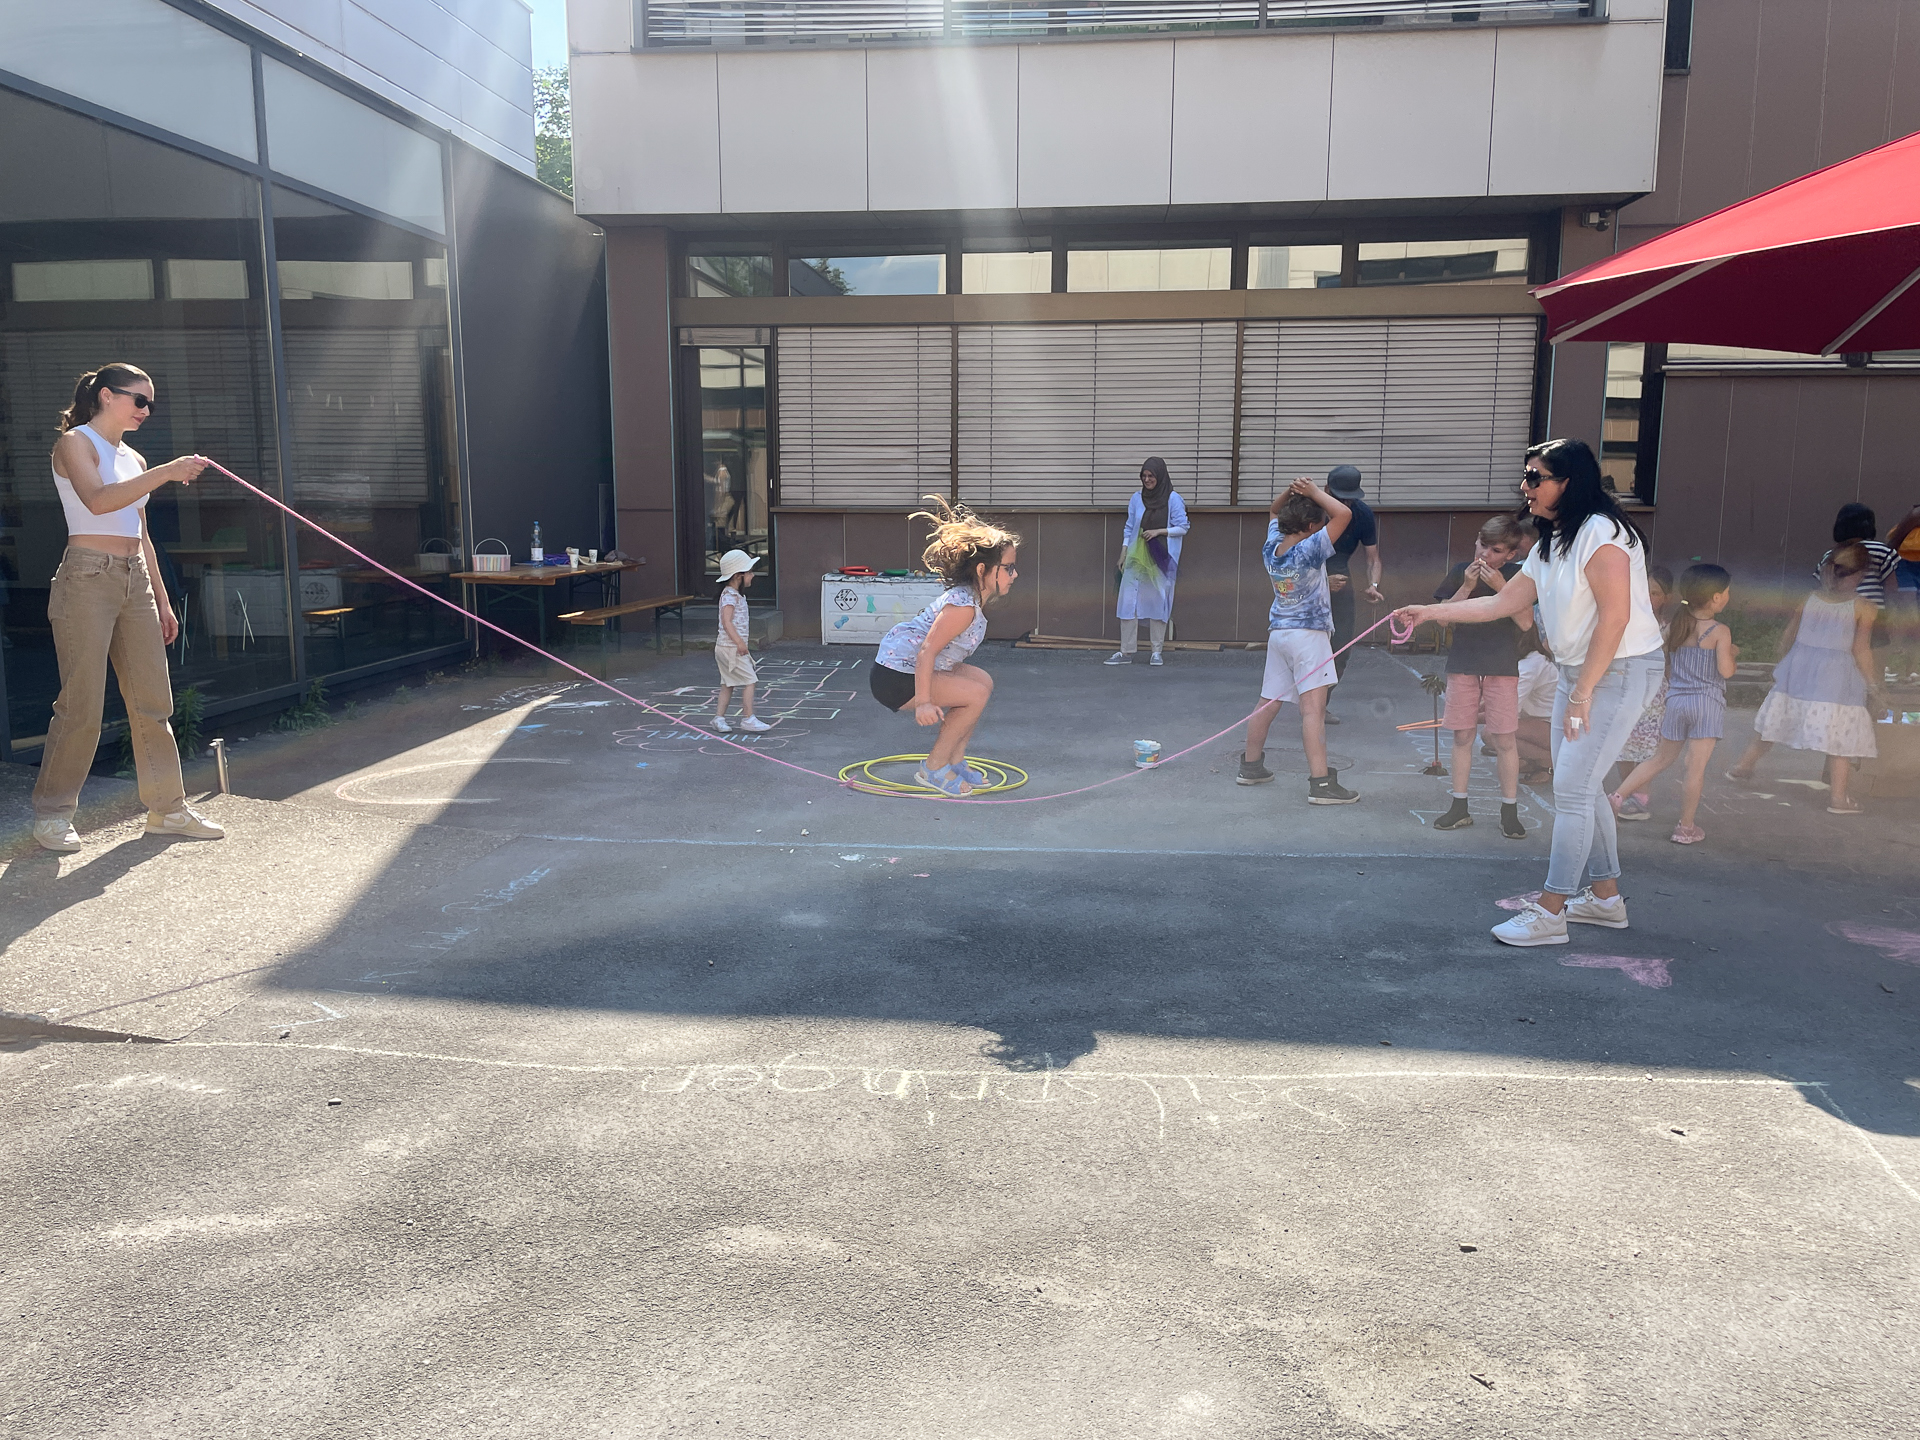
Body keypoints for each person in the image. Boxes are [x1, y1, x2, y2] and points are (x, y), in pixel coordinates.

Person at [1393, 438, 1664, 947]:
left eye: (1535, 477)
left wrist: (1582, 692)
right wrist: (1429, 611)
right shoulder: (1552, 540)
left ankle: (1551, 911)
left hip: (1618, 670)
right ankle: (1605, 900)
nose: (1525, 486)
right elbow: (1502, 604)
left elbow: (1616, 618)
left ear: (1569, 482)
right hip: (1580, 671)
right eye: (1526, 476)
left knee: (1574, 792)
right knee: (1583, 787)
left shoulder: (1602, 533)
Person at [31, 364, 221, 853]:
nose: (146, 411)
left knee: (153, 702)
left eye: (150, 404)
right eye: (139, 400)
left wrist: (162, 599)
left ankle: (167, 810)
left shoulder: (133, 457)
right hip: (86, 577)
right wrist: (168, 472)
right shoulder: (75, 443)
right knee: (82, 705)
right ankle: (53, 815)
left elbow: (141, 533)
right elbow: (97, 501)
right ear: (106, 396)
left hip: (135, 578)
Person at [870, 497, 1020, 796]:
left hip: (909, 668)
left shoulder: (972, 599)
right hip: (895, 677)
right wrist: (924, 702)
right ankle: (934, 767)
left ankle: (954, 759)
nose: (1015, 575)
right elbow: (927, 650)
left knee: (982, 681)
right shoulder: (962, 608)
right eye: (1008, 568)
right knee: (975, 694)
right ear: (983, 569)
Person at [1726, 543, 1881, 815]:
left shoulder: (1809, 598)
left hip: (1799, 667)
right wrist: (1873, 684)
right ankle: (1838, 798)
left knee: (1775, 721)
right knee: (1840, 736)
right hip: (1837, 676)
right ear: (1860, 575)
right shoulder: (1864, 607)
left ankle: (1743, 766)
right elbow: (1860, 650)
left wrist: (1783, 663)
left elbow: (1788, 636)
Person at [1237, 477, 1359, 804]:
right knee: (1313, 710)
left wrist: (1292, 492)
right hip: (1309, 636)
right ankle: (1321, 783)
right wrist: (1314, 492)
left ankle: (1251, 766)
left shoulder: (1272, 546)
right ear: (1309, 527)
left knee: (1268, 701)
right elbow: (1344, 515)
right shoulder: (1310, 548)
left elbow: (1273, 510)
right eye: (1318, 524)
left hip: (1279, 633)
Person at [1611, 565, 1737, 844]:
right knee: (1695, 768)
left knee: (1660, 759)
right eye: (1727, 592)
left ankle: (1617, 797)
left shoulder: (1676, 626)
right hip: (1706, 704)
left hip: (1676, 700)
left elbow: (1662, 657)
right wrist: (1732, 654)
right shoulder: (1720, 631)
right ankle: (1686, 827)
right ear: (1716, 597)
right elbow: (1726, 671)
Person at [1431, 514, 1534, 840]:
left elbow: (1526, 623)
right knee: (1462, 736)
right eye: (1482, 545)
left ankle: (1509, 810)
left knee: (1504, 740)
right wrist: (1466, 586)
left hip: (1502, 666)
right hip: (1463, 662)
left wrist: (1502, 588)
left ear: (1511, 555)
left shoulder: (1518, 576)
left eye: (1495, 550)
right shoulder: (1461, 570)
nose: (1485, 554)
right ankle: (1459, 806)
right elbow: (1443, 619)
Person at [1106, 456, 1189, 667]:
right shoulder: (1137, 498)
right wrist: (1123, 553)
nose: (1147, 479)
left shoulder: (1173, 499)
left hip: (1160, 556)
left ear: (1160, 476)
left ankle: (1156, 651)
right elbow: (1129, 527)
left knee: (1158, 601)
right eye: (1144, 476)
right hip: (1136, 555)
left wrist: (1158, 531)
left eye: (1151, 475)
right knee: (1128, 601)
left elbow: (1183, 527)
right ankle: (1126, 651)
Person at [1608, 563, 1675, 820]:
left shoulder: (1668, 627)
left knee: (1647, 746)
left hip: (1654, 694)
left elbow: (1669, 663)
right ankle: (1628, 794)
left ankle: (1639, 796)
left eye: (1655, 593)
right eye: (1643, 590)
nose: (1648, 597)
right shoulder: (1624, 620)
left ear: (1666, 597)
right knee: (1623, 744)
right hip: (1625, 688)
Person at [1322, 465, 1382, 723]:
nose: (1345, 503)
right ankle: (1303, 702)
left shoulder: (1362, 514)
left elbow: (1373, 558)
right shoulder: (1311, 511)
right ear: (1327, 490)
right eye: (1340, 498)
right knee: (1306, 644)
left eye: (1350, 499)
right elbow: (1291, 554)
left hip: (1340, 576)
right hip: (1307, 575)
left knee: (1341, 645)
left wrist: (1373, 584)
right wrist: (1320, 581)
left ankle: (1321, 704)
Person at [710, 549, 771, 734]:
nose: (752, 575)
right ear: (738, 576)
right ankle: (748, 718)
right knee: (750, 680)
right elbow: (727, 622)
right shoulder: (730, 596)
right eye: (749, 572)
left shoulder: (735, 595)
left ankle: (719, 718)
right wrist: (739, 643)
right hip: (730, 648)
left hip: (726, 647)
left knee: (728, 684)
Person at [1514, 628, 1557, 784]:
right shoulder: (1530, 660)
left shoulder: (1530, 665)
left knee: (1494, 732)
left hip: (1551, 727)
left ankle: (1547, 762)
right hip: (1539, 723)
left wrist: (1466, 718)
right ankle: (1532, 760)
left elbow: (1507, 710)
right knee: (1498, 730)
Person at [1886, 503, 1920, 683]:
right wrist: (1886, 566)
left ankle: (1913, 669)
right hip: (1905, 563)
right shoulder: (1917, 513)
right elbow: (1894, 542)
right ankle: (1893, 666)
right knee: (1908, 614)